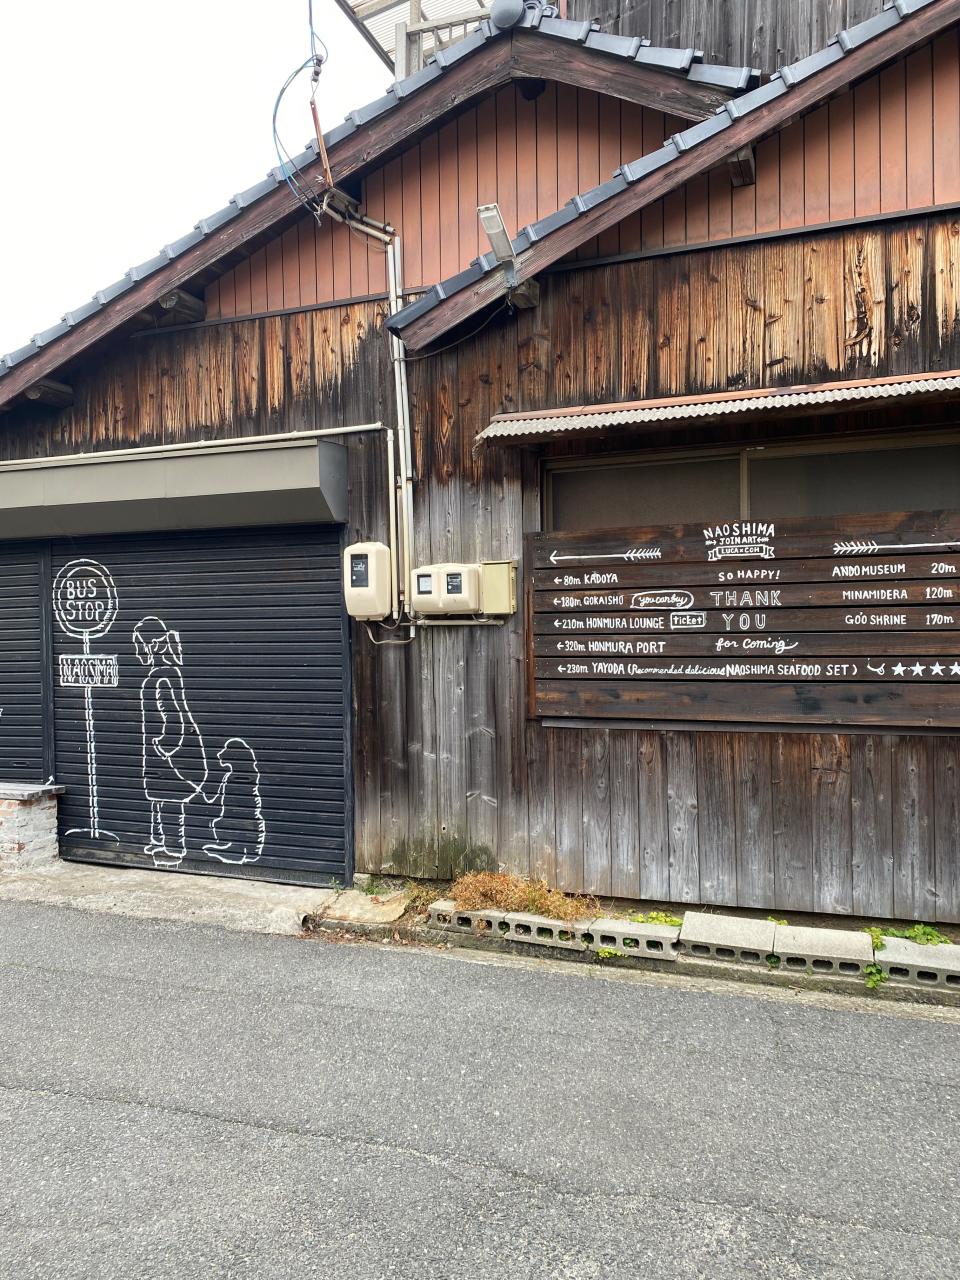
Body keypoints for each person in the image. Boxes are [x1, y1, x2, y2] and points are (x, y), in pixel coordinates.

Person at [132, 616, 207, 868]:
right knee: (159, 798)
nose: (137, 650)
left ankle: (173, 848)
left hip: (167, 755)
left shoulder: (163, 676)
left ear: (152, 645)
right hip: (158, 755)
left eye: (139, 644)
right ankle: (159, 840)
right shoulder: (160, 674)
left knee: (170, 800)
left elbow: (174, 717)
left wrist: (164, 746)